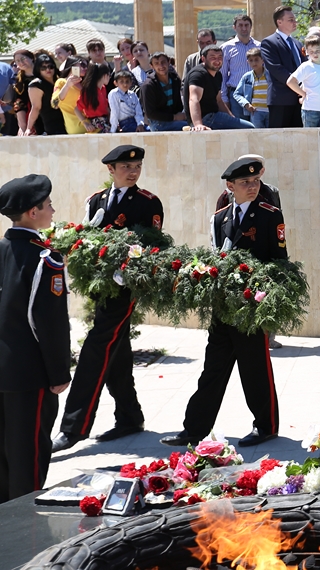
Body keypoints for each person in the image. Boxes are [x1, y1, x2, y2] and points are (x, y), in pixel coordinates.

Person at [161, 158, 286, 447]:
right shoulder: (220, 218)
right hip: (223, 307)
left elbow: (279, 260)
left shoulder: (269, 215)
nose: (252, 187)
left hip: (250, 307)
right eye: (245, 183)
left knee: (254, 368)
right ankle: (194, 429)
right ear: (230, 186)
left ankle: (266, 426)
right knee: (213, 369)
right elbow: (218, 256)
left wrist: (265, 295)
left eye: (255, 181)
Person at [52, 145, 162, 452]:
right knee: (117, 350)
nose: (133, 171)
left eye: (137, 166)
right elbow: (86, 239)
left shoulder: (148, 203)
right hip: (101, 287)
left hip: (125, 289)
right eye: (126, 167)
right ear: (111, 169)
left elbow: (153, 247)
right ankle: (129, 417)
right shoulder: (96, 200)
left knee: (96, 349)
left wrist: (126, 269)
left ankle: (73, 428)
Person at [0, 174, 71, 502]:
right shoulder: (45, 259)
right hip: (30, 376)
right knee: (28, 460)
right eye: (48, 205)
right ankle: (25, 530)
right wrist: (58, 373)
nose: (52, 211)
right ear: (32, 213)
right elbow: (49, 324)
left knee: (4, 458)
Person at [187, 44, 255, 131]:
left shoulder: (218, 74)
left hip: (214, 115)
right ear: (203, 59)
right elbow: (193, 99)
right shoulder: (198, 74)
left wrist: (231, 117)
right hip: (206, 118)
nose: (217, 60)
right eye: (213, 57)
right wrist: (198, 124)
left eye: (220, 57)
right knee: (249, 128)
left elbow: (219, 100)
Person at [259, 6, 304, 129]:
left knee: (299, 137)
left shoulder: (297, 43)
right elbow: (276, 69)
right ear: (279, 22)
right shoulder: (269, 43)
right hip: (281, 100)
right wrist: (297, 85)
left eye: (294, 19)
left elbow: (305, 66)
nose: (295, 22)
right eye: (290, 20)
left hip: (300, 100)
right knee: (279, 138)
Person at [287, 34, 320, 128]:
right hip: (310, 109)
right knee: (310, 136)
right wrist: (303, 94)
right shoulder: (306, 66)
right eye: (311, 51)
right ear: (307, 51)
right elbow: (290, 82)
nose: (315, 54)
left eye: (317, 51)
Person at [221, 14, 260, 120]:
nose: (244, 28)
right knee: (240, 125)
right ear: (234, 27)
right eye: (240, 25)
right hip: (236, 94)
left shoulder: (260, 46)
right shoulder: (226, 48)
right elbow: (222, 75)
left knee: (259, 126)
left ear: (251, 27)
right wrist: (224, 99)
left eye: (246, 25)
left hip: (258, 93)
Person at [140, 52, 186, 132]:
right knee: (189, 126)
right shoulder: (148, 86)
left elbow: (178, 104)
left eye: (163, 62)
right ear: (152, 66)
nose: (161, 66)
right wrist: (174, 117)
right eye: (156, 63)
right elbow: (151, 113)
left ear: (169, 62)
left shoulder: (174, 79)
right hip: (158, 123)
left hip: (175, 118)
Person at [22, 54, 66, 136]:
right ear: (38, 69)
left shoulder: (60, 80)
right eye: (43, 68)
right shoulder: (36, 85)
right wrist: (29, 128)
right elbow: (36, 107)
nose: (48, 69)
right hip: (53, 124)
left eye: (50, 66)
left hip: (68, 119)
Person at [233, 48, 271, 129]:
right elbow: (237, 94)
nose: (254, 63)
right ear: (248, 62)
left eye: (256, 60)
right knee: (257, 133)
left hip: (270, 111)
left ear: (262, 60)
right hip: (255, 111)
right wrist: (246, 104)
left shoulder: (270, 75)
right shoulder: (247, 77)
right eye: (251, 60)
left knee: (271, 133)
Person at [51, 57, 88, 135]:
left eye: (86, 65)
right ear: (72, 66)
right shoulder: (61, 82)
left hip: (92, 126)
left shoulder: (85, 83)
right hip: (76, 129)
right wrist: (67, 86)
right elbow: (54, 104)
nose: (85, 68)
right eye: (82, 65)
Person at [76, 62, 112, 133]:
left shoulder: (103, 88)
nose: (109, 77)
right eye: (109, 75)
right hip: (95, 122)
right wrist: (85, 123)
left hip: (106, 120)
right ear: (104, 75)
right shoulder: (88, 91)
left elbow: (106, 107)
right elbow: (76, 109)